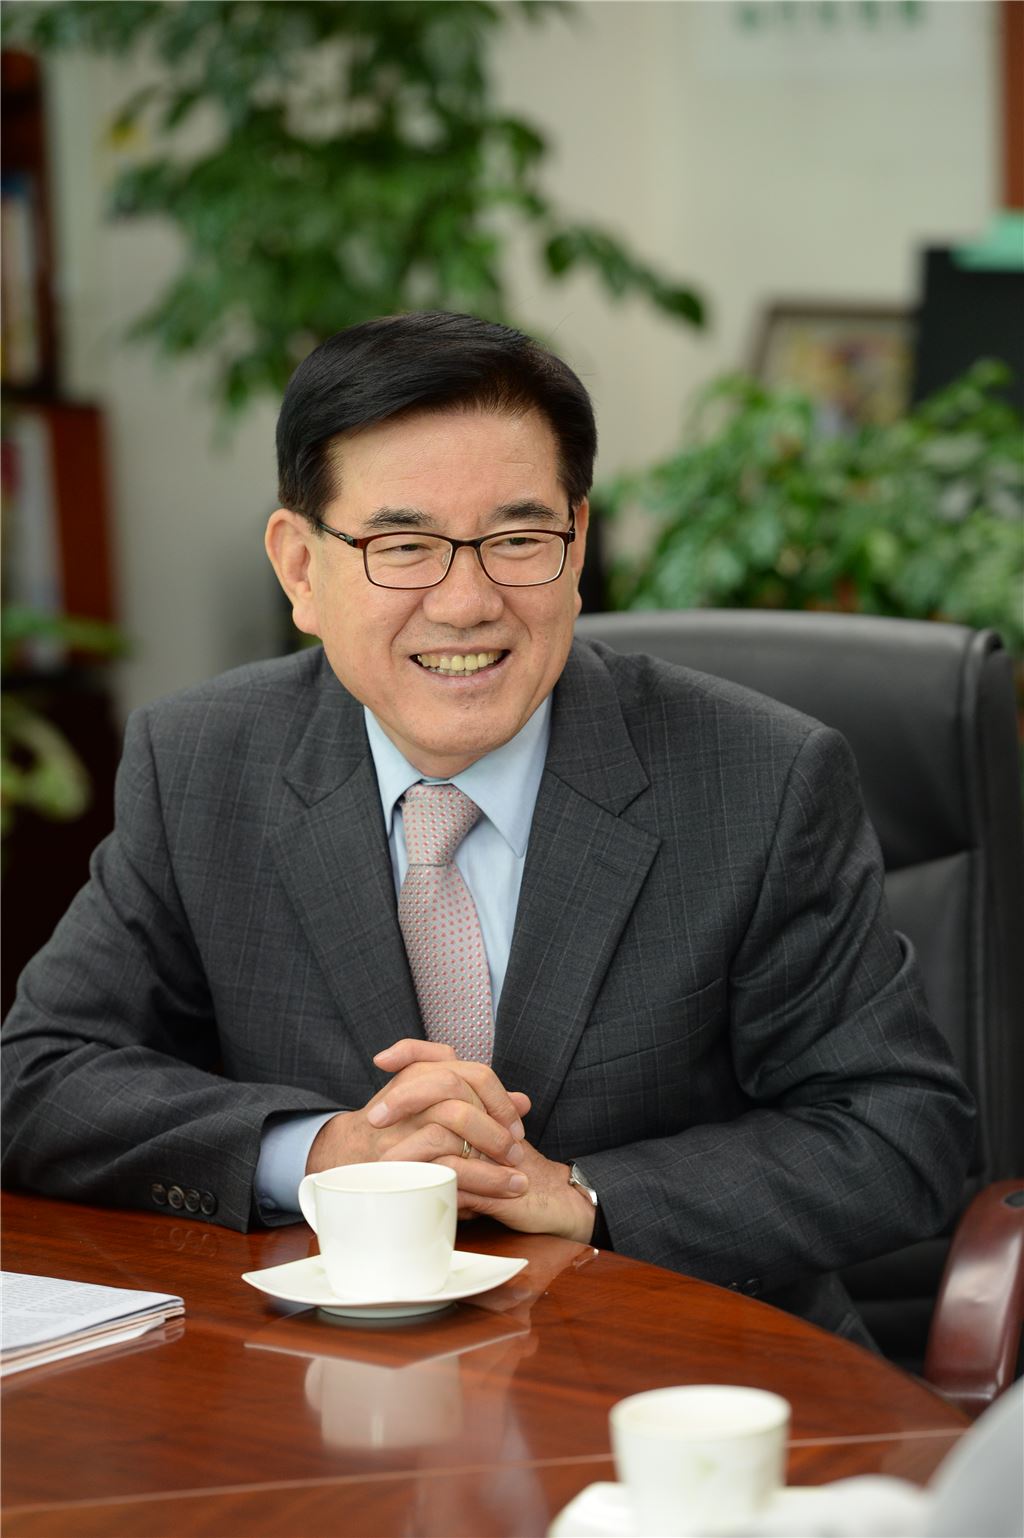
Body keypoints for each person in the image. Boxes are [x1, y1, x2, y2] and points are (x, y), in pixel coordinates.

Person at [1, 311, 974, 1340]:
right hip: (322, 1376)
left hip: (677, 1370)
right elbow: (37, 1076)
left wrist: (583, 1194)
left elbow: (900, 1131)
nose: (466, 602)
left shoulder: (758, 777)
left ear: (578, 546)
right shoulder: (203, 763)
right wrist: (322, 1151)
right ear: (300, 569)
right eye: (403, 546)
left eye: (517, 540)